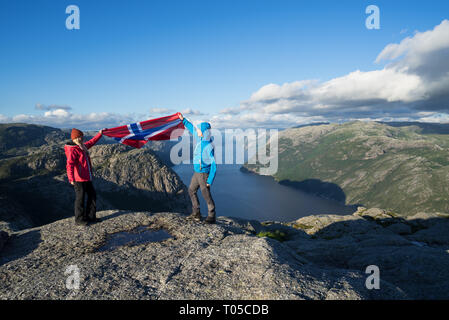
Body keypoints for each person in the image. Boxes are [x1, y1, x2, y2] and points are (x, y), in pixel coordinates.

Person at [178, 112, 217, 224]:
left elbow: (214, 165)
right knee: (191, 190)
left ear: (204, 131)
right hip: (197, 172)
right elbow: (191, 128)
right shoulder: (199, 138)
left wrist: (210, 179)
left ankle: (212, 216)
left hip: (204, 174)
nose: (197, 131)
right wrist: (183, 119)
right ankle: (196, 213)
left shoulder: (208, 146)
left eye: (199, 129)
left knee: (206, 194)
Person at [64, 128, 104, 226]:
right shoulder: (73, 150)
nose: (79, 139)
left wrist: (100, 134)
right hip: (78, 179)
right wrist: (71, 179)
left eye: (80, 136)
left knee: (92, 195)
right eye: (77, 137)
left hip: (87, 177)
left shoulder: (82, 147)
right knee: (80, 199)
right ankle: (79, 220)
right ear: (73, 139)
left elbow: (92, 142)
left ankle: (91, 217)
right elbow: (69, 165)